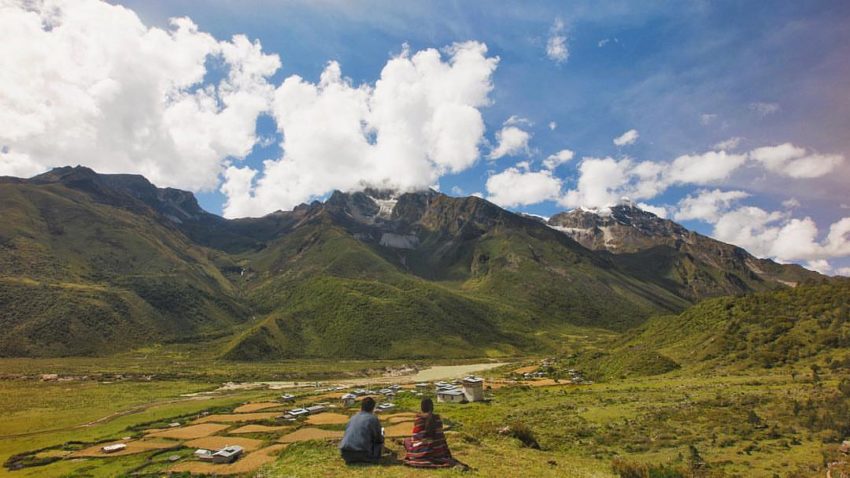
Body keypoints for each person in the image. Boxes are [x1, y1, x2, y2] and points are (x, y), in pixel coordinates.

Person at [403, 398, 464, 469]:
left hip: (419, 453)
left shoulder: (418, 420)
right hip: (437, 453)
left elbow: (416, 438)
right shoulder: (437, 419)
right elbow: (441, 438)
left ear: (422, 408)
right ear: (432, 407)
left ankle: (418, 454)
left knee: (407, 440)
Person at [339, 397, 384, 464]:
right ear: (373, 408)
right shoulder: (373, 419)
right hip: (363, 454)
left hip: (345, 454)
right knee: (381, 437)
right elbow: (378, 439)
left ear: (361, 407)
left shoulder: (353, 417)